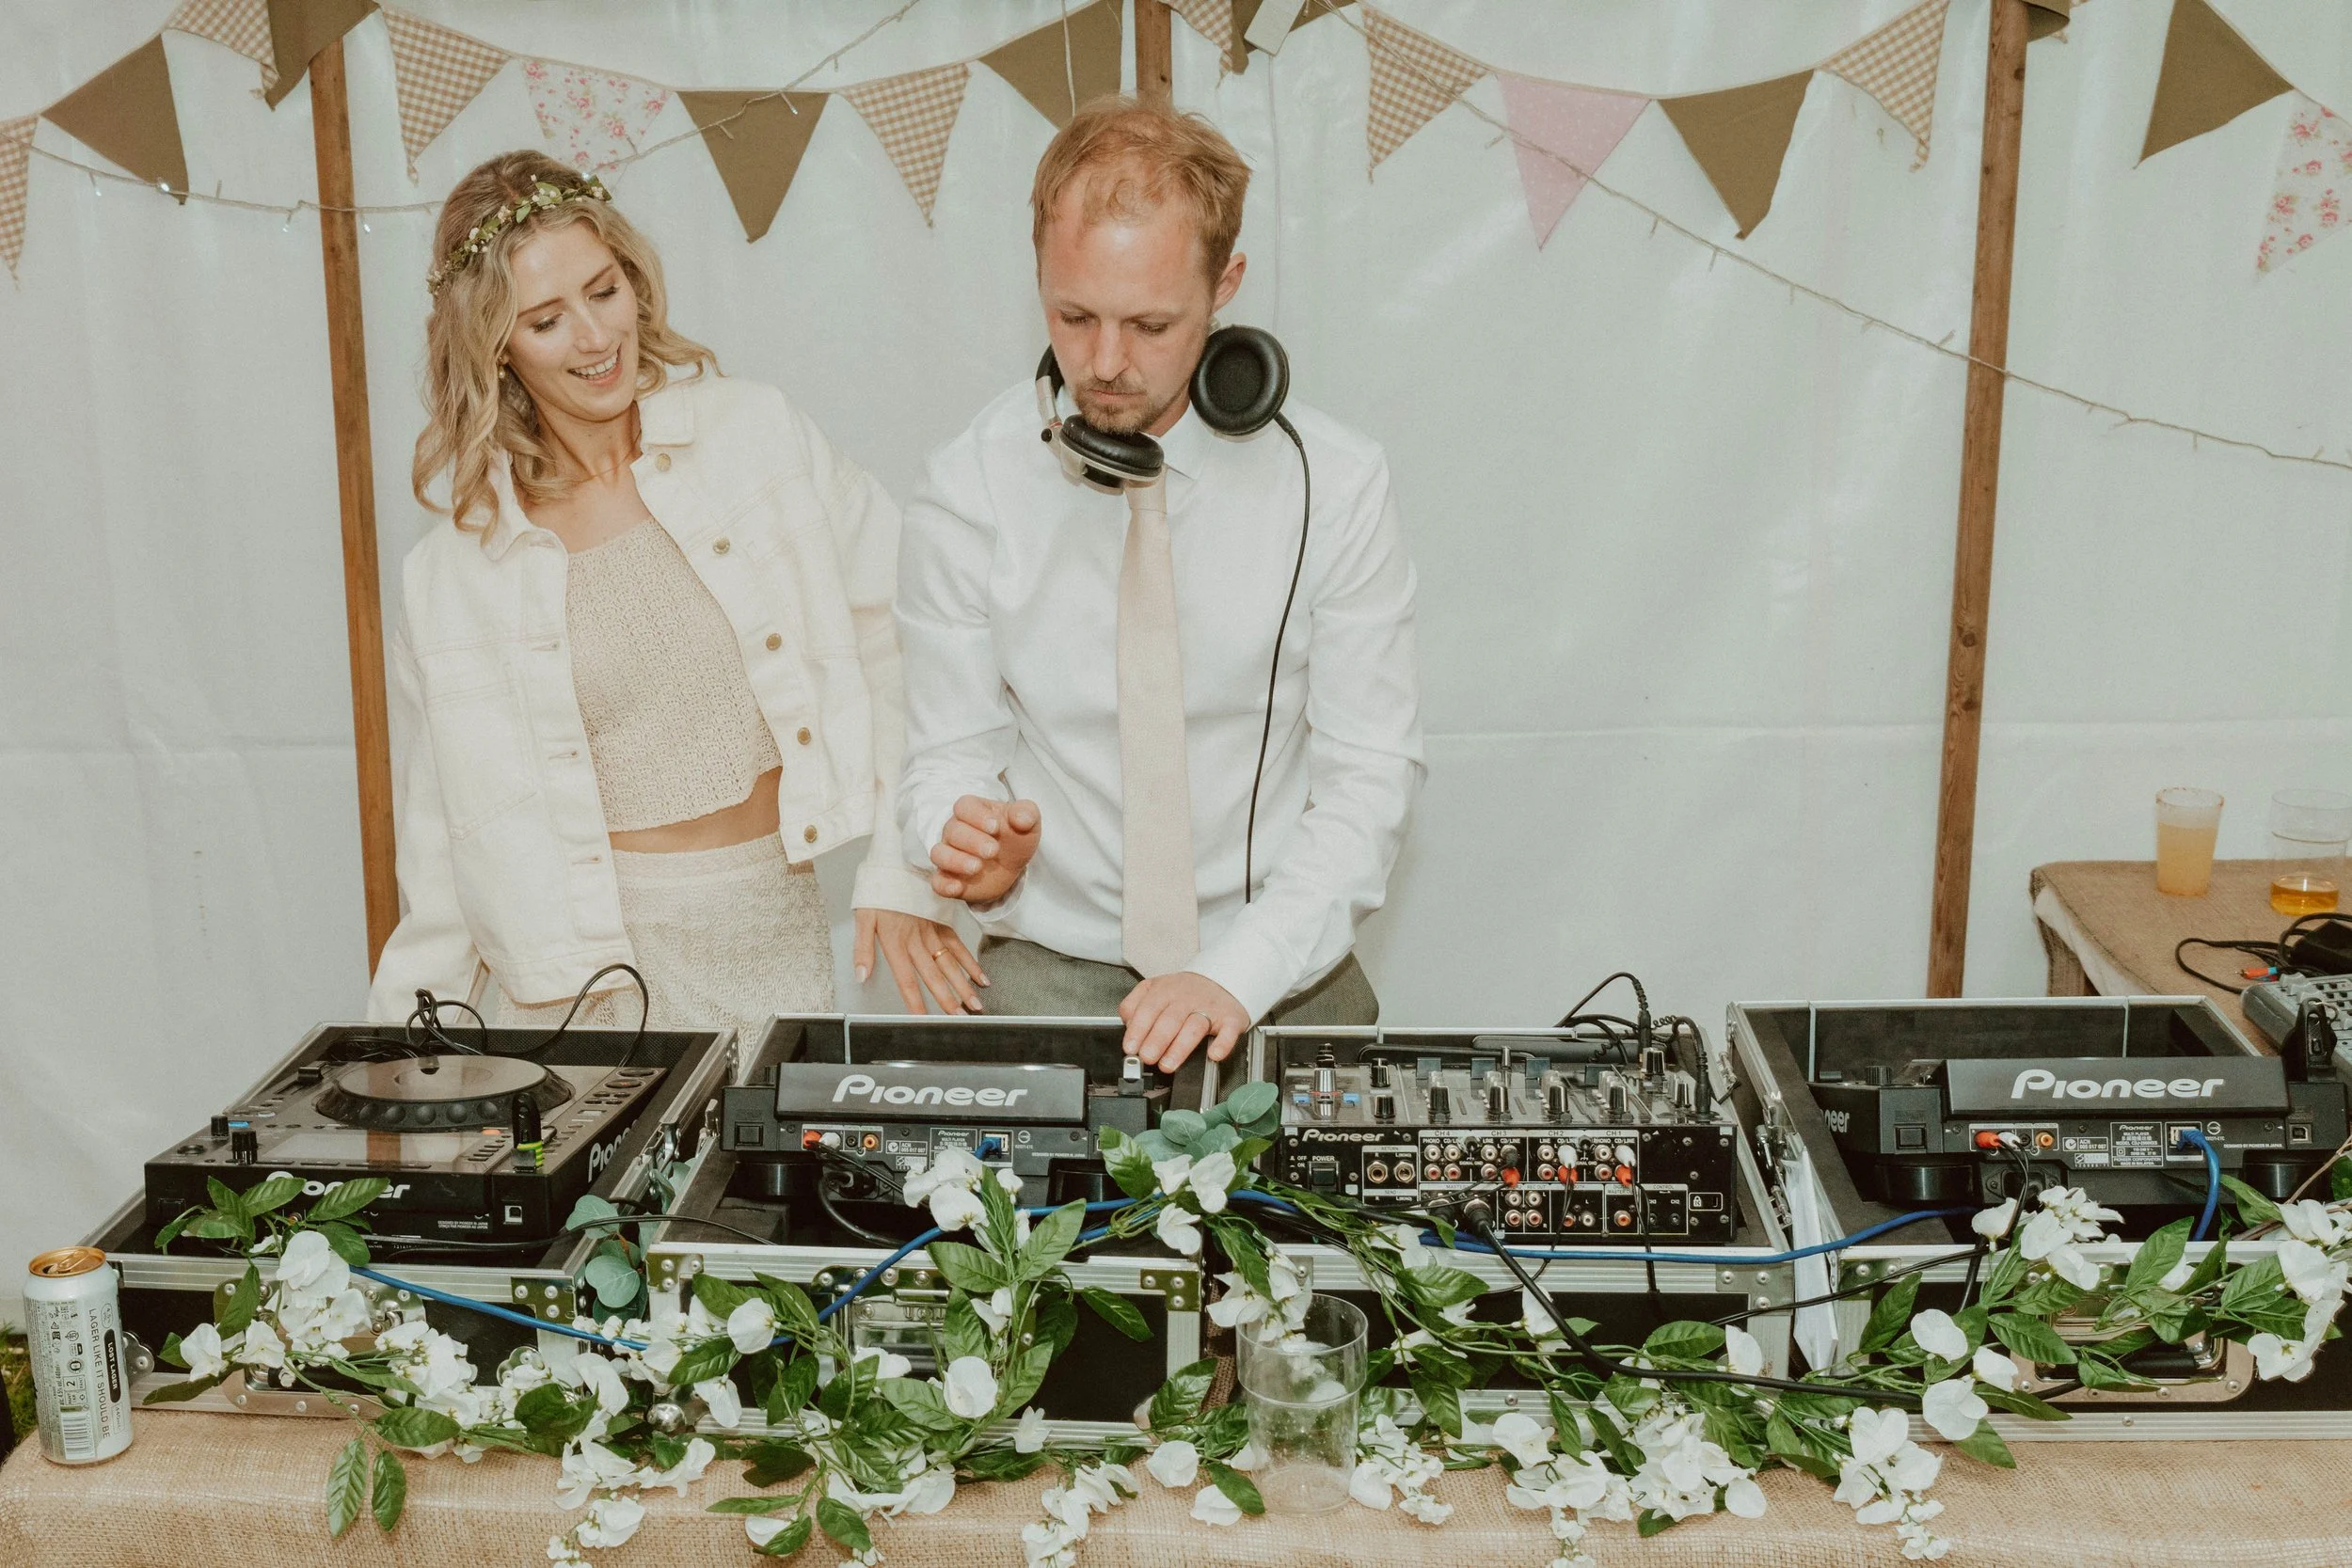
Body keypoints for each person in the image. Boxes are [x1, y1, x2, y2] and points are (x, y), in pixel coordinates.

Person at [367, 150, 976, 1037]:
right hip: (588, 985)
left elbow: (903, 647)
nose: (594, 337)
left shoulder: (757, 436)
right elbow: (444, 854)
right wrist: (392, 1068)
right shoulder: (452, 575)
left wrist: (901, 868)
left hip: (771, 932)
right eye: (547, 320)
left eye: (603, 291)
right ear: (494, 347)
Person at [896, 100, 1422, 1077]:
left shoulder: (1337, 484)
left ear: (1225, 286)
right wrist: (964, 841)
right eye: (1073, 316)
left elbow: (1370, 779)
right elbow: (947, 753)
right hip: (1048, 968)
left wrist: (1237, 972)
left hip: (1281, 966)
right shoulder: (966, 486)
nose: (1104, 363)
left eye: (1149, 324)